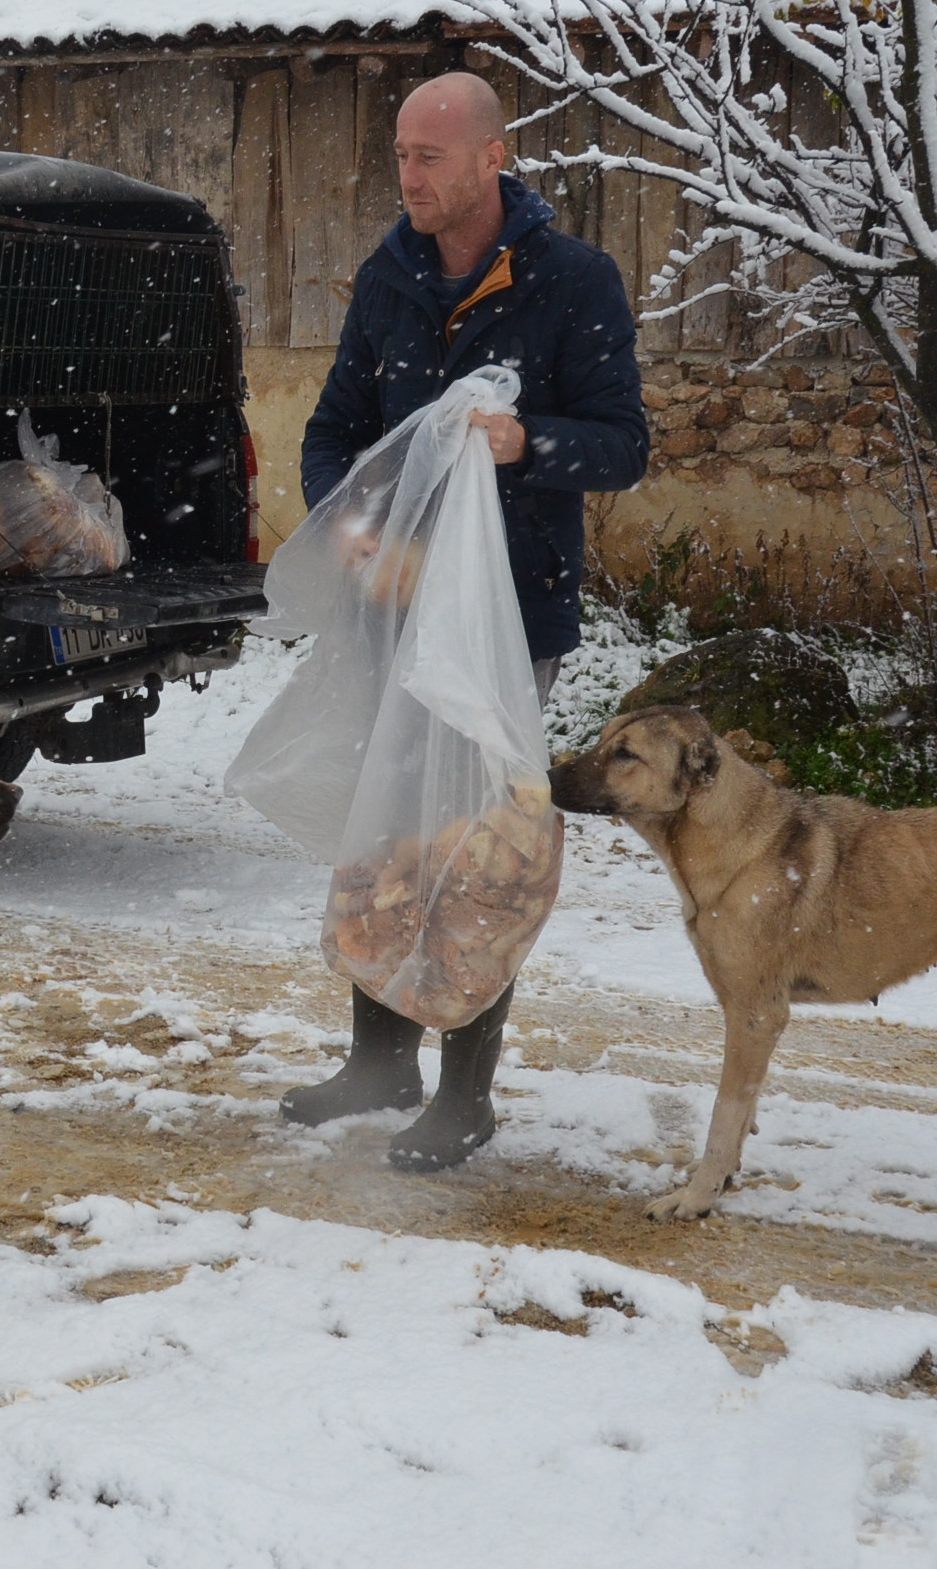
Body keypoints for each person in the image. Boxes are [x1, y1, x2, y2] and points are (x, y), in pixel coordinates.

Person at [283, 70, 649, 1170]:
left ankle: (465, 1089)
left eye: (428, 158)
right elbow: (332, 432)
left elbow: (624, 445)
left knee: (473, 849)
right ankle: (378, 1058)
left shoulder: (571, 280)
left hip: (502, 622)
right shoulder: (388, 279)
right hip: (388, 614)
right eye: (400, 155)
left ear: (492, 158)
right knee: (381, 841)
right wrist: (352, 536)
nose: (408, 178)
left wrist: (525, 444)